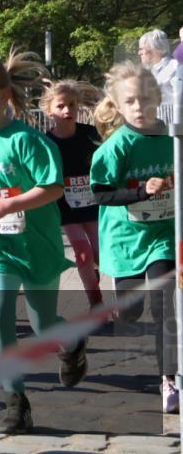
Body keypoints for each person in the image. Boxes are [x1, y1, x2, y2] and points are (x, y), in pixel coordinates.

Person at [0, 50, 86, 435]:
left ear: (4, 93)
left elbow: (54, 188)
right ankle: (15, 401)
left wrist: (11, 204)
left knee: (42, 326)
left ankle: (71, 344)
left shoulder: (28, 141)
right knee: (1, 319)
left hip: (36, 245)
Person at [90, 61, 177, 413]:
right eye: (131, 102)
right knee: (130, 313)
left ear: (158, 98)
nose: (139, 108)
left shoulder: (173, 138)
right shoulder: (116, 148)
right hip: (125, 240)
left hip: (163, 235)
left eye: (145, 99)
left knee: (164, 306)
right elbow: (100, 194)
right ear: (119, 106)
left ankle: (169, 379)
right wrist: (142, 189)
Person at [41, 80, 105, 309]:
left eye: (72, 105)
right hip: (66, 209)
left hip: (93, 205)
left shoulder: (91, 135)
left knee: (99, 254)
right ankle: (96, 302)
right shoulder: (46, 143)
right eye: (61, 106)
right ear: (49, 111)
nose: (67, 110)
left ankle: (95, 275)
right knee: (83, 254)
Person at [137, 29, 178, 105]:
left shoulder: (174, 67)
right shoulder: (150, 71)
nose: (139, 53)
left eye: (141, 49)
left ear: (154, 48)